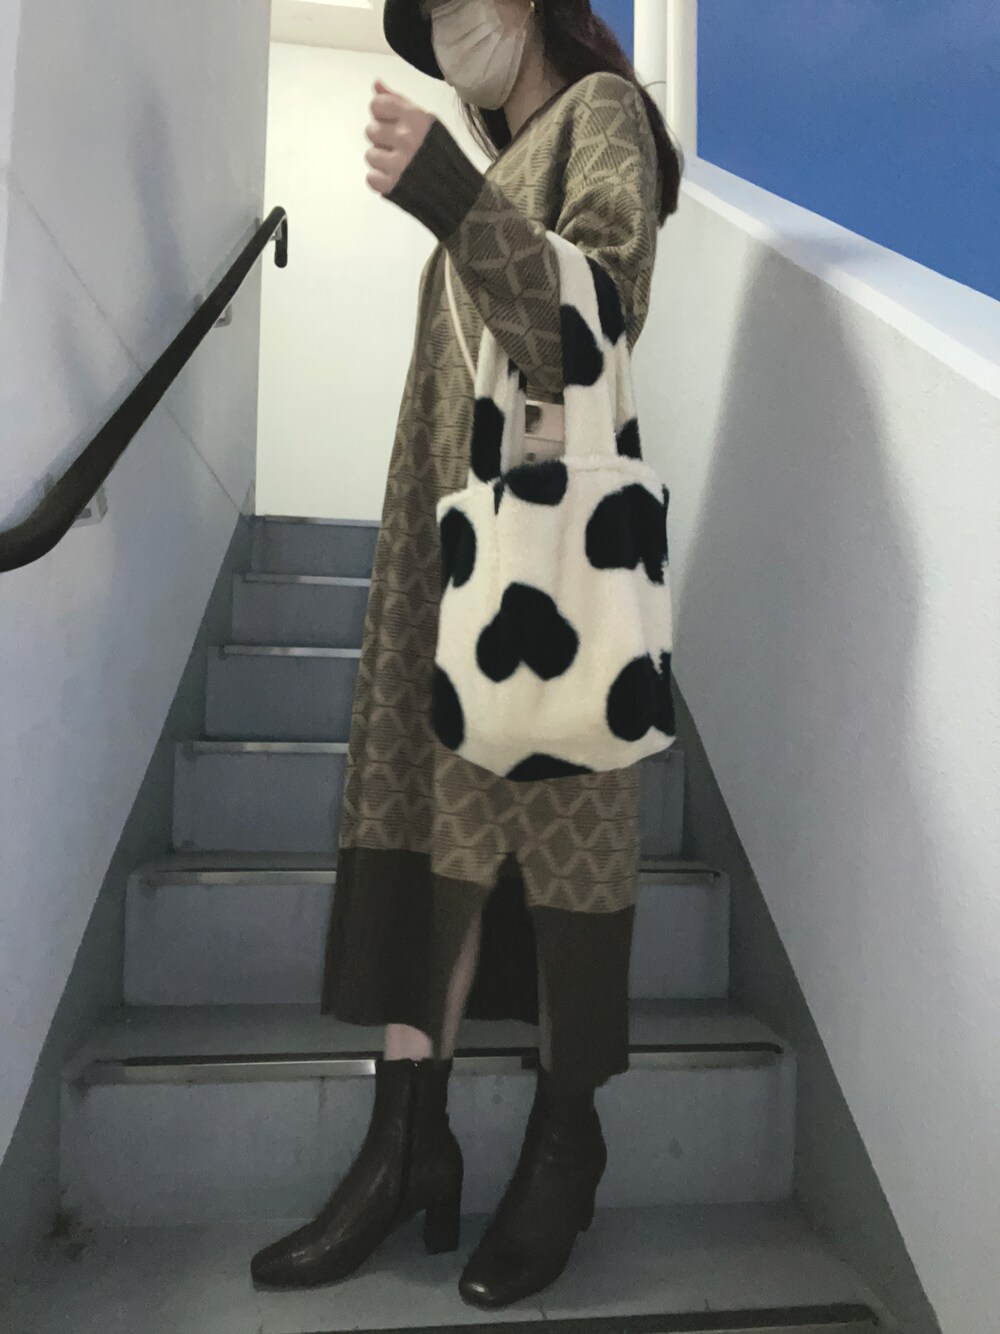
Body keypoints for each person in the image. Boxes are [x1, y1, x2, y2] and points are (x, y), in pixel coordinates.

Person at [251, 0, 682, 1309]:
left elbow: (595, 318)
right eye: (426, 22)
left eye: (457, 7)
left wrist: (447, 194)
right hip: (447, 559)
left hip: (545, 567)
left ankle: (566, 1141)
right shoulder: (501, 160)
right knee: (433, 842)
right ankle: (406, 1140)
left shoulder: (600, 116)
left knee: (553, 839)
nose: (447, 37)